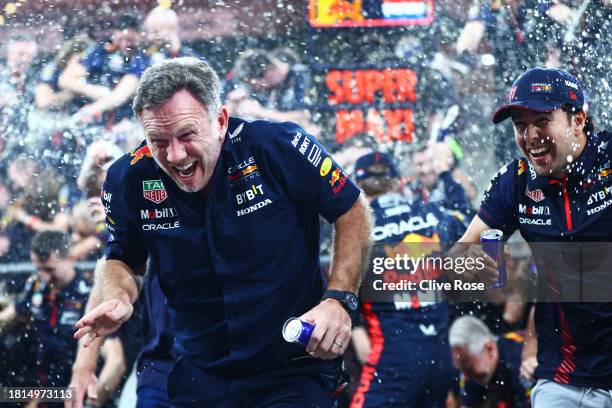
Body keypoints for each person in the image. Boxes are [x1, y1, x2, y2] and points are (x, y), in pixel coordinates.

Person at [73, 57, 373, 406]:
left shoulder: (276, 146)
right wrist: (119, 297)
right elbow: (121, 258)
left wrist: (340, 299)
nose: (175, 155)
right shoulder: (128, 178)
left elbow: (352, 209)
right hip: (200, 372)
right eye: (158, 140)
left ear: (220, 121)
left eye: (187, 135)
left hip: (293, 366)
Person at [455, 67, 612, 406]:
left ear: (578, 120)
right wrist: (467, 266)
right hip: (565, 379)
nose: (530, 136)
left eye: (542, 121)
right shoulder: (515, 182)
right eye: (520, 125)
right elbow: (460, 253)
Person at [350, 152, 466, 408]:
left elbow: (342, 298)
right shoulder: (434, 213)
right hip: (440, 359)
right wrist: (447, 175)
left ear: (357, 188)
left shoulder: (357, 228)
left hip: (394, 360)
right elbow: (472, 226)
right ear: (399, 182)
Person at [0, 231, 125, 402]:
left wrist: (91, 404)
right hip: (39, 393)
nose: (44, 277)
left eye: (50, 269)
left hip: (72, 394)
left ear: (70, 258)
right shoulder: (35, 288)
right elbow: (5, 320)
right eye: (39, 269)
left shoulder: (89, 297)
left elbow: (116, 363)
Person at [449, 316, 530, 408]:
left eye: (470, 368)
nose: (466, 377)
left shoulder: (518, 362)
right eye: (462, 370)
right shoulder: (475, 371)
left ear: (490, 349)